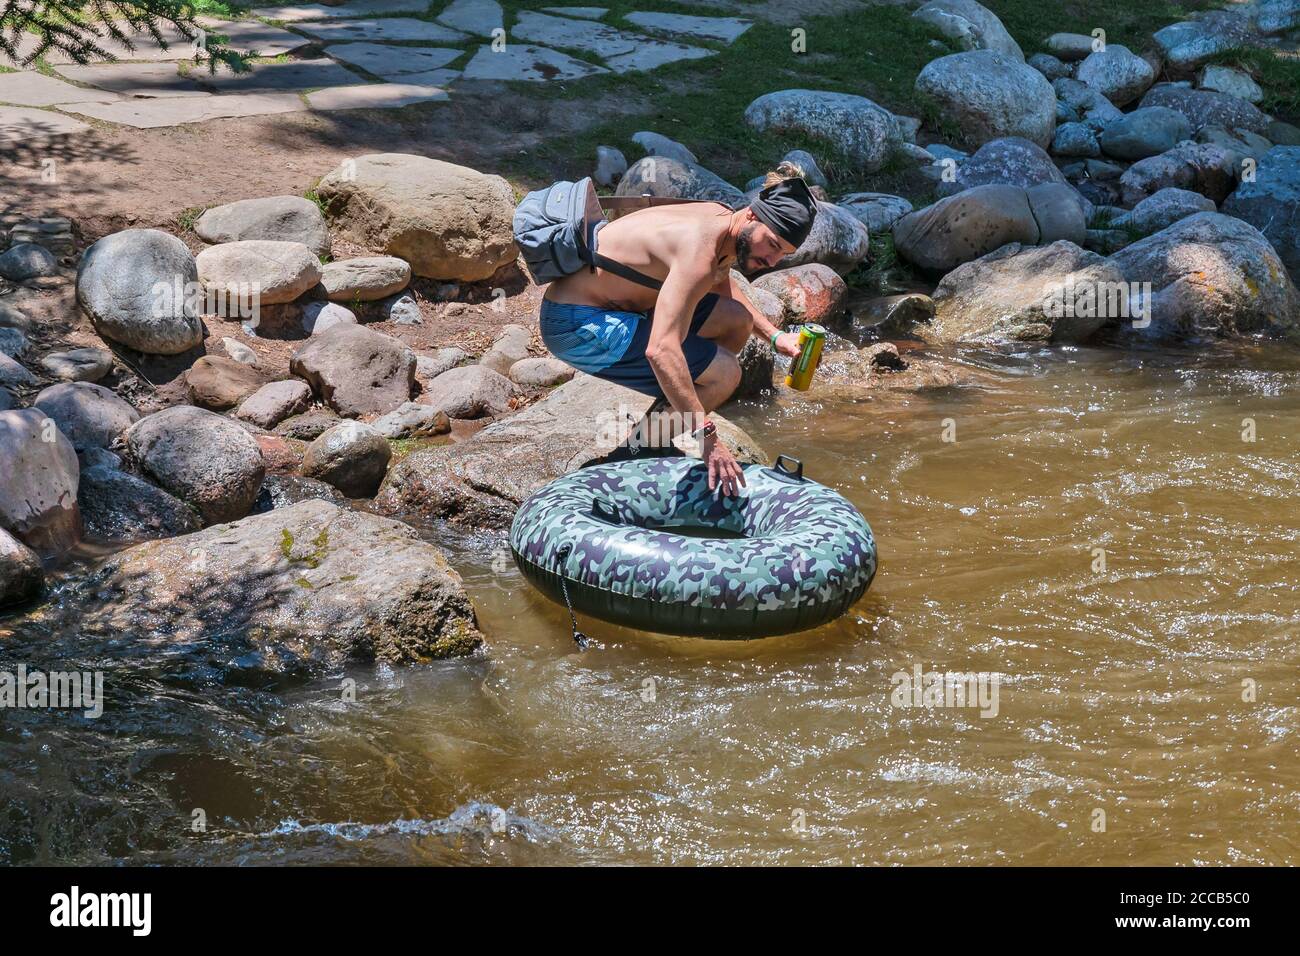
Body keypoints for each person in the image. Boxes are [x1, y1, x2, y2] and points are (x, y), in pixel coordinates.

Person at [539, 168, 818, 497]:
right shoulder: (697, 250)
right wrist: (707, 437)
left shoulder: (723, 220)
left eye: (782, 254)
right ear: (753, 215)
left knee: (736, 319)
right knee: (726, 374)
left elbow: (721, 279)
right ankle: (635, 452)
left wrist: (774, 335)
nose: (771, 260)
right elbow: (660, 349)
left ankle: (659, 428)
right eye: (771, 244)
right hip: (575, 324)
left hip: (617, 308)